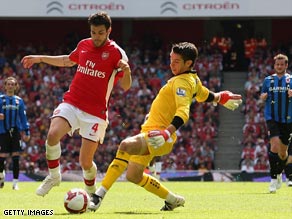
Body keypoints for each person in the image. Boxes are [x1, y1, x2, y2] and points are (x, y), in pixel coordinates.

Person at [89, 42, 242, 211]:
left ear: (188, 63)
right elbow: (203, 95)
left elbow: (183, 112)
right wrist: (219, 98)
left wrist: (165, 133)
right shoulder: (193, 79)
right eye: (171, 59)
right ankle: (172, 199)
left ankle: (97, 196)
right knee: (133, 175)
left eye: (176, 61)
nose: (172, 64)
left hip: (159, 136)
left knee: (125, 145)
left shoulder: (182, 83)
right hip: (153, 133)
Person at [21, 11, 132, 197]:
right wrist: (40, 58)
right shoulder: (84, 44)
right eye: (93, 32)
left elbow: (126, 86)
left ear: (109, 31)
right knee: (52, 135)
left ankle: (90, 191)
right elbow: (67, 61)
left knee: (85, 162)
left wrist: (127, 72)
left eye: (100, 33)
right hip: (72, 102)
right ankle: (54, 176)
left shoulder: (117, 53)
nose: (96, 37)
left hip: (95, 113)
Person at [260, 53, 292, 193]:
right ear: (274, 66)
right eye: (277, 64)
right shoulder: (268, 80)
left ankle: (279, 173)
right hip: (271, 117)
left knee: (283, 153)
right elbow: (262, 96)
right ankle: (273, 179)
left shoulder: (291, 80)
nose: (279, 66)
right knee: (274, 145)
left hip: (288, 118)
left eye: (281, 64)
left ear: (286, 65)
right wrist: (263, 96)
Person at [0, 76, 30, 190]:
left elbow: (23, 117)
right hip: (3, 132)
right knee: (2, 156)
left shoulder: (19, 101)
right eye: (9, 84)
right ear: (5, 86)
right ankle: (1, 176)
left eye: (13, 84)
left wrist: (26, 131)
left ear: (16, 86)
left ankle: (15, 183)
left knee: (16, 157)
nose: (10, 86)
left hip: (16, 132)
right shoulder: (1, 99)